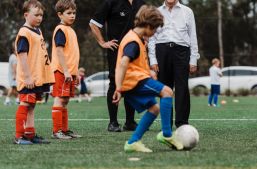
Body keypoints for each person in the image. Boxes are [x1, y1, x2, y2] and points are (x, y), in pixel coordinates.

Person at [113, 5, 183, 153]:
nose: (155, 32)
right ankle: (167, 135)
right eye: (155, 29)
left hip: (134, 81)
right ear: (149, 26)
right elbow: (123, 63)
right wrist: (118, 87)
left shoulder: (137, 38)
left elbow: (134, 63)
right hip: (134, 82)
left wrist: (149, 71)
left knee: (154, 108)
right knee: (167, 92)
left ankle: (132, 142)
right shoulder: (133, 41)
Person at [89, 0, 145, 132]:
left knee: (132, 84)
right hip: (117, 52)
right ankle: (113, 122)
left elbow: (145, 25)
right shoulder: (111, 2)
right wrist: (103, 42)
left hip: (136, 51)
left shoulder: (140, 3)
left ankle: (130, 122)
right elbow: (93, 24)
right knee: (115, 83)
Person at [148, 0, 200, 128]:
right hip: (162, 51)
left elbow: (192, 36)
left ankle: (182, 122)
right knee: (165, 88)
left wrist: (193, 59)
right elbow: (151, 38)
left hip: (182, 52)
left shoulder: (187, 11)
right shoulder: (156, 12)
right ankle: (167, 123)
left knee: (182, 87)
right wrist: (153, 60)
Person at [14, 0, 54, 145]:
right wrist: (28, 77)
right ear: (26, 15)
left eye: (41, 15)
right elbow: (22, 55)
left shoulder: (38, 31)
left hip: (37, 78)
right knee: (25, 103)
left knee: (31, 105)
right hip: (28, 78)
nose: (39, 18)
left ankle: (30, 135)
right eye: (36, 15)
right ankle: (19, 136)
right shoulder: (24, 32)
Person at [51, 0, 81, 139]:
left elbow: (72, 54)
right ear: (60, 15)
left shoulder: (71, 30)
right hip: (62, 71)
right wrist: (66, 71)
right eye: (69, 13)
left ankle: (64, 129)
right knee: (60, 99)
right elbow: (59, 51)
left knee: (66, 100)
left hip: (70, 72)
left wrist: (76, 73)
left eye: (74, 13)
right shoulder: (61, 30)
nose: (72, 15)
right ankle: (57, 131)